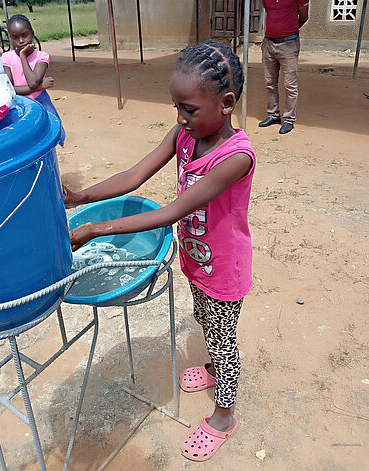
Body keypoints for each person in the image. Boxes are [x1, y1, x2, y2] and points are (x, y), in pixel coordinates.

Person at [64, 40, 256, 462]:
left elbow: (172, 211)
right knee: (203, 319)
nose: (180, 118)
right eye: (176, 107)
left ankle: (225, 416)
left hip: (224, 269)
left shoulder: (234, 158)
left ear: (225, 104)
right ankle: (210, 369)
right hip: (197, 258)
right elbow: (134, 176)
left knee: (224, 341)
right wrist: (81, 197)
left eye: (189, 109)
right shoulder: (184, 137)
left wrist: (98, 229)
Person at [259, 0, 309, 135]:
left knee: (290, 84)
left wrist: (290, 30)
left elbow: (303, 17)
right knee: (270, 82)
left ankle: (289, 119)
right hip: (269, 44)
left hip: (289, 44)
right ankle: (273, 115)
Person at [2, 14, 65, 146]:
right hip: (19, 103)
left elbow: (32, 81)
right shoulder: (6, 58)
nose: (21, 41)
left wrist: (23, 57)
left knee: (52, 128)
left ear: (32, 33)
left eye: (25, 35)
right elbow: (10, 89)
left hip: (40, 100)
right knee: (24, 136)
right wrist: (40, 86)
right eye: (15, 37)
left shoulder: (42, 57)